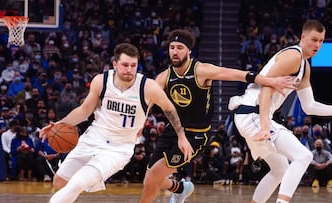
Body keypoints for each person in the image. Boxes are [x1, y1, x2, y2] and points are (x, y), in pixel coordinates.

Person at [139, 29, 295, 203]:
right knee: (149, 180)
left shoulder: (201, 70)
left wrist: (270, 81)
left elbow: (237, 74)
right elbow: (149, 100)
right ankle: (182, 188)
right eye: (172, 47)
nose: (175, 51)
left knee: (152, 178)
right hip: (173, 129)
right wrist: (141, 121)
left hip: (195, 135)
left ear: (189, 51)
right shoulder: (165, 76)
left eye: (180, 47)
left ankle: (179, 189)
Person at [39, 43, 193, 203]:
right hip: (93, 138)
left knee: (78, 182)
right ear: (114, 64)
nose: (129, 69)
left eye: (133, 65)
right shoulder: (101, 81)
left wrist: (181, 135)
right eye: (125, 65)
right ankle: (180, 188)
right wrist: (59, 124)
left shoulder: (148, 87)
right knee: (60, 182)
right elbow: (84, 110)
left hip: (118, 148)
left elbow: (170, 108)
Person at [228, 19, 332, 203]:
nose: (318, 45)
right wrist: (265, 126)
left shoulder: (304, 66)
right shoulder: (293, 56)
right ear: (303, 37)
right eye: (314, 39)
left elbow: (309, 106)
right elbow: (266, 87)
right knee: (304, 156)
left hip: (255, 116)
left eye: (321, 41)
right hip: (253, 114)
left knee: (280, 169)